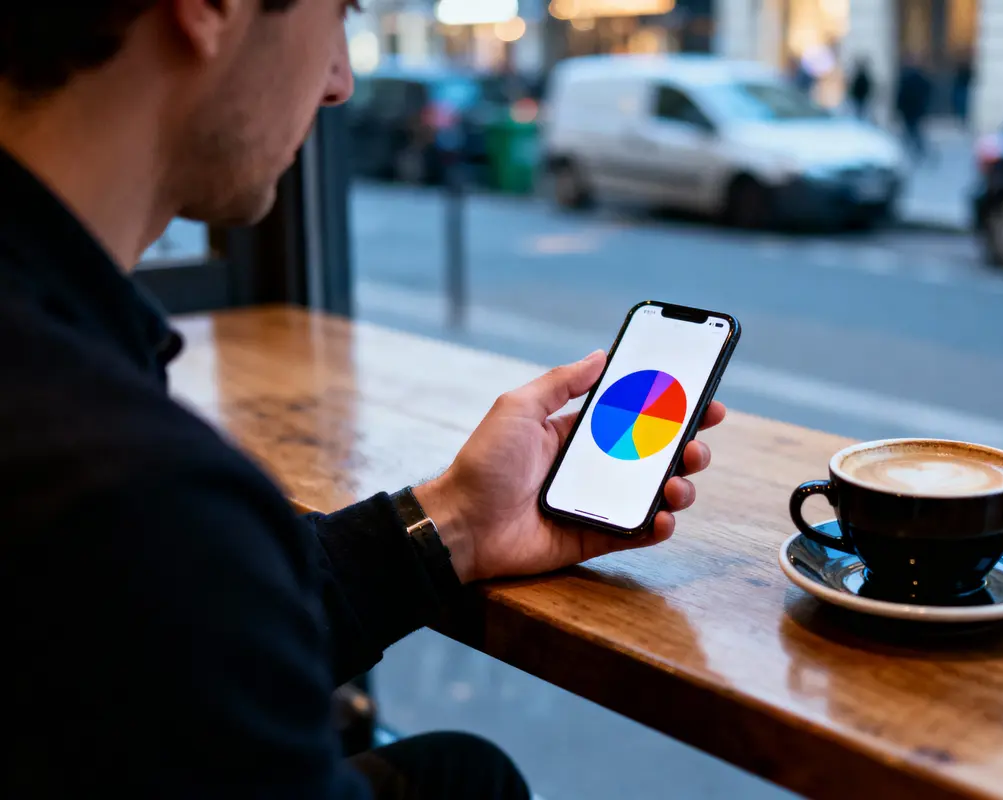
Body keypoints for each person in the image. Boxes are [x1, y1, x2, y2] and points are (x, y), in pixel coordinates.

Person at [0, 2, 726, 798]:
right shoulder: (132, 490)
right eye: (337, 14)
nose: (340, 81)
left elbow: (169, 645)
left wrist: (456, 520)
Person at [895, 58, 934, 162]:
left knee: (912, 132)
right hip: (914, 110)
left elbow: (901, 95)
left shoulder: (907, 78)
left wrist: (899, 107)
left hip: (909, 110)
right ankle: (917, 151)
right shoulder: (919, 79)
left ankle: (915, 151)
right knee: (913, 131)